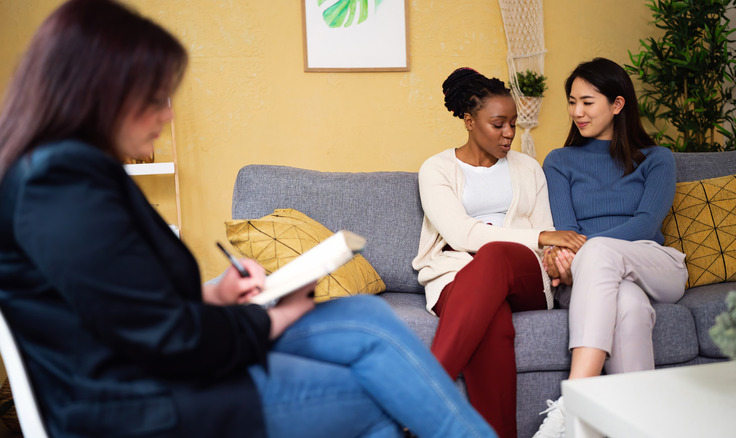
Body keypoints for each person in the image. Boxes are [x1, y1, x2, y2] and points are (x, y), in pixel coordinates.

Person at [0, 1, 498, 437]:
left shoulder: (77, 173)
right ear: (100, 93)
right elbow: (162, 337)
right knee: (374, 397)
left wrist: (216, 294)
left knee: (369, 319)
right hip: (142, 401)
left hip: (160, 367)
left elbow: (120, 303)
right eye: (154, 97)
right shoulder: (57, 188)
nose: (167, 114)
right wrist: (272, 317)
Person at [411, 67, 586, 438]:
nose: (509, 133)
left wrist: (552, 252)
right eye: (498, 124)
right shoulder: (436, 169)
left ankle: (425, 395)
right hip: (456, 274)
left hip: (522, 274)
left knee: (493, 256)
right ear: (469, 121)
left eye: (513, 123)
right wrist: (541, 236)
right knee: (492, 323)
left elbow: (545, 241)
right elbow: (460, 233)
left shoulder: (527, 168)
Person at [532, 57, 688, 438]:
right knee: (630, 307)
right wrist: (567, 257)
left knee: (600, 251)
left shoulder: (657, 159)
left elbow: (646, 224)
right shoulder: (559, 161)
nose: (577, 112)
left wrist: (583, 254)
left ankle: (575, 401)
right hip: (592, 276)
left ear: (617, 104)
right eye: (572, 102)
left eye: (587, 102)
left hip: (653, 264)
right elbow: (567, 233)